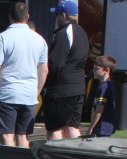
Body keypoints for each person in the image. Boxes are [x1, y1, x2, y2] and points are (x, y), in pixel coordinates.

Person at [0, 2, 49, 148]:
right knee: (22, 136)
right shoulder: (40, 40)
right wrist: (36, 93)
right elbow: (44, 70)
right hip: (28, 95)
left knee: (7, 135)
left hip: (6, 93)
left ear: (9, 17)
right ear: (27, 17)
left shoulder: (3, 38)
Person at [44, 1, 89, 140]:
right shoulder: (82, 33)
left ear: (63, 15)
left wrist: (45, 85)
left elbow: (55, 64)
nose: (56, 18)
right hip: (78, 88)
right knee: (72, 127)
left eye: (57, 14)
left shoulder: (63, 33)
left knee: (55, 128)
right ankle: (76, 158)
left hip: (60, 91)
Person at [89, 55, 117, 137]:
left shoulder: (103, 87)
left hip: (101, 128)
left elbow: (99, 110)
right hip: (106, 127)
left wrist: (91, 127)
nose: (93, 70)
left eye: (96, 69)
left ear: (106, 70)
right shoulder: (107, 85)